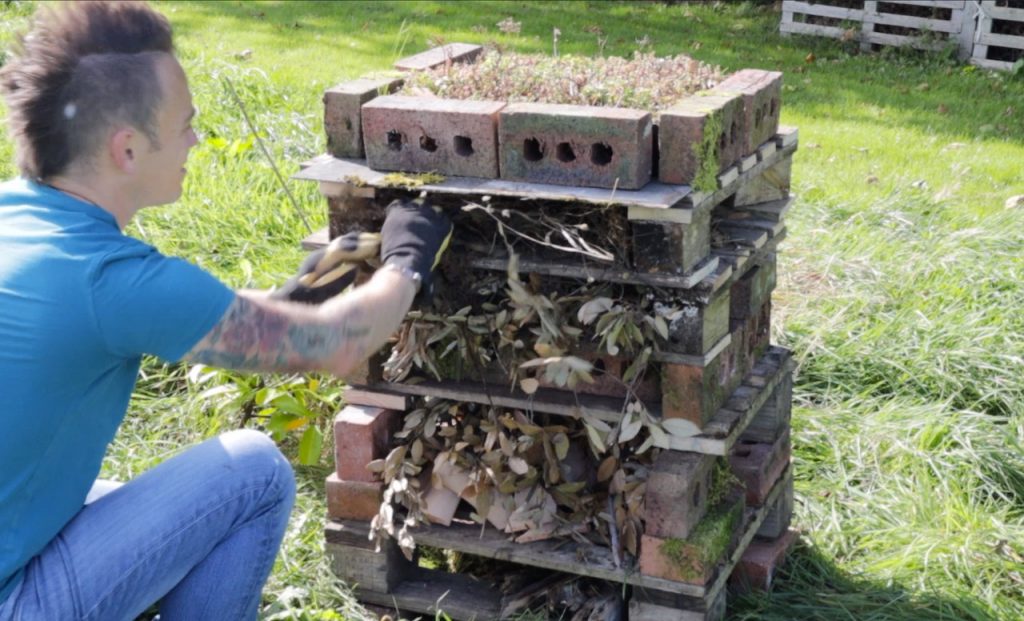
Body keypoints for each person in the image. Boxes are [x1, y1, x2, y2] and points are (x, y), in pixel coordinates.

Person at [0, 2, 450, 619]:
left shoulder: (16, 221)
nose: (192, 139)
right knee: (254, 472)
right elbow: (340, 345)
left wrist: (289, 300)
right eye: (184, 124)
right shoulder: (114, 280)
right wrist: (408, 260)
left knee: (121, 501)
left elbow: (164, 315)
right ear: (127, 149)